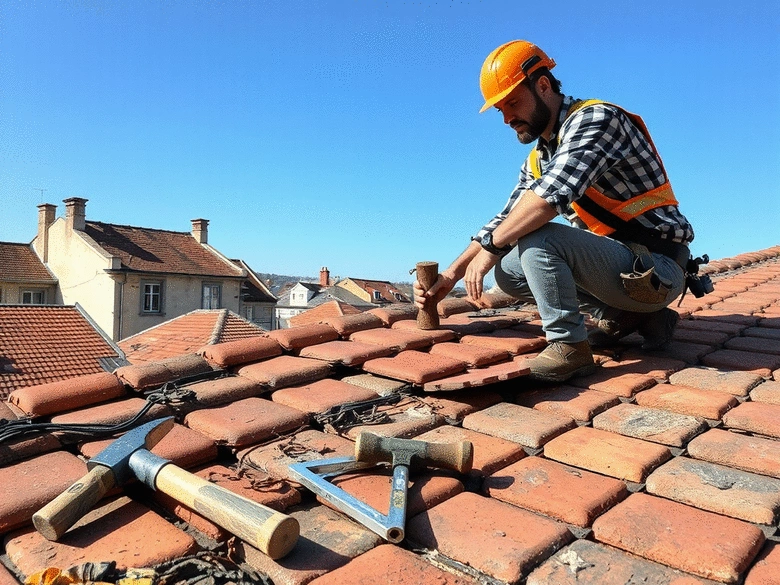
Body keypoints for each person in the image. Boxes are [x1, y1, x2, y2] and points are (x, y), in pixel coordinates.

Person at [413, 40, 695, 383]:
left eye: (513, 103)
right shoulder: (539, 157)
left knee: (537, 236)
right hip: (624, 273)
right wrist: (454, 273)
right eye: (500, 109)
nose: (507, 118)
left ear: (543, 85)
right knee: (508, 267)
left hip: (657, 268)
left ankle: (570, 347)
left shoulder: (597, 119)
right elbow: (508, 216)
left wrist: (490, 249)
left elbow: (549, 198)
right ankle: (633, 318)